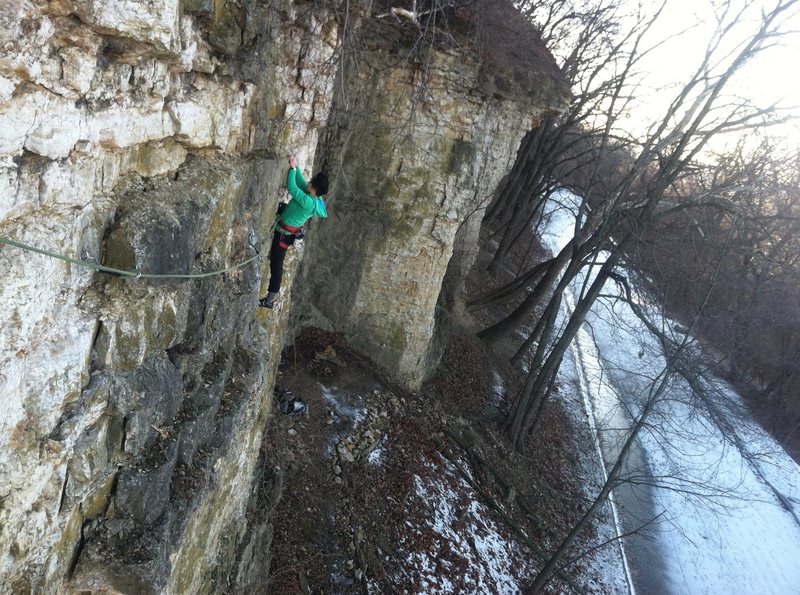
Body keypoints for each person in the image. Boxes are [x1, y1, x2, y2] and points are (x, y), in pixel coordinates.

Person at [259, 154, 328, 309]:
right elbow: (300, 181)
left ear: (314, 188)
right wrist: (295, 166)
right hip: (284, 227)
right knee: (276, 264)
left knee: (276, 266)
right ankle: (269, 300)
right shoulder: (312, 196)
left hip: (283, 234)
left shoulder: (308, 202)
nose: (308, 182)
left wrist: (292, 168)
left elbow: (292, 187)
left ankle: (269, 301)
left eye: (311, 182)